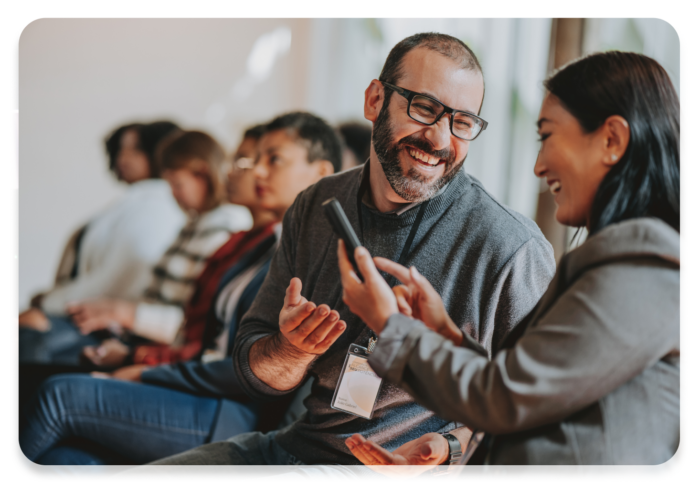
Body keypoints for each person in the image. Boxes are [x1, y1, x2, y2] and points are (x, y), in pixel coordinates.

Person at [109, 32, 555, 482]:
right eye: (424, 108)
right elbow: (258, 374)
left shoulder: (510, 247)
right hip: (299, 444)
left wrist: (449, 448)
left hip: (389, 474)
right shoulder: (318, 203)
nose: (440, 138)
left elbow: (540, 408)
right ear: (375, 100)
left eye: (462, 122)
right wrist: (292, 350)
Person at [338, 51, 687, 481]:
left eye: (548, 135)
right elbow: (525, 385)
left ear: (611, 140)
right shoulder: (620, 260)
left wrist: (391, 327)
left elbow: (504, 399)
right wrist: (444, 335)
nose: (540, 166)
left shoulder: (639, 268)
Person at [19, 113, 340, 480]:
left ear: (321, 171)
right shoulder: (264, 245)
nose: (257, 172)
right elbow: (207, 335)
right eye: (254, 160)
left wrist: (152, 372)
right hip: (199, 393)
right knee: (58, 465)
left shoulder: (312, 259)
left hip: (228, 410)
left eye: (273, 160)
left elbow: (251, 367)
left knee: (57, 395)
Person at [65, 130, 253, 368]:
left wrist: (124, 313)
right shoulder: (195, 224)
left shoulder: (226, 228)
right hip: (143, 341)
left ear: (203, 174)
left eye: (178, 185)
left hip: (164, 353)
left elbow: (196, 325)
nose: (173, 195)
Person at [18, 121, 186, 354]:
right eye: (120, 148)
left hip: (104, 325)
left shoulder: (158, 207)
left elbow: (118, 280)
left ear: (158, 151)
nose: (123, 157)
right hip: (87, 313)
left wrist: (50, 303)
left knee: (24, 336)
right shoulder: (134, 202)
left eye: (136, 149)